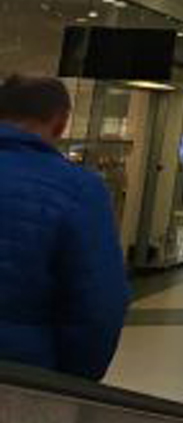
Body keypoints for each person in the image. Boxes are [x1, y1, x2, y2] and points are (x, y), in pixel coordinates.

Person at [0, 75, 130, 380]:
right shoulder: (80, 189)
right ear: (60, 123)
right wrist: (75, 379)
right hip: (22, 374)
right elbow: (99, 304)